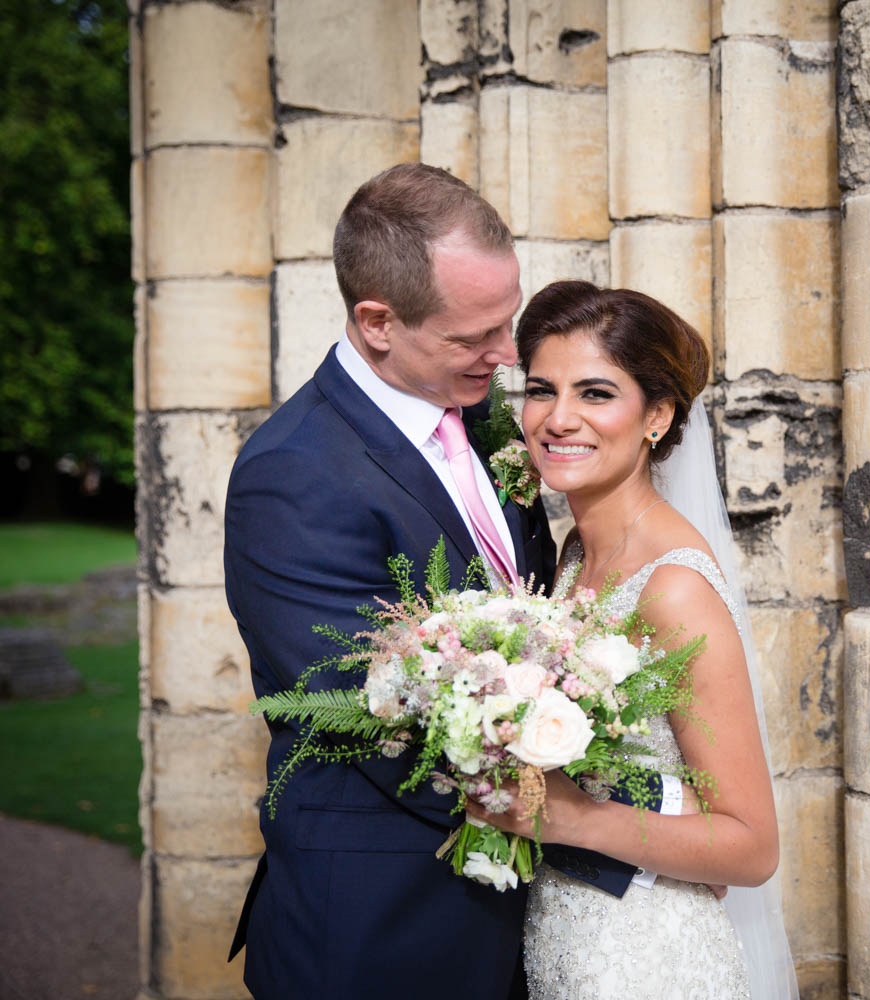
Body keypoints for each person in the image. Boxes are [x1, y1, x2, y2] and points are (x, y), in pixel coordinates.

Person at [222, 164, 660, 998]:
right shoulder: (295, 475)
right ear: (377, 321)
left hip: (518, 910)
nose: (507, 360)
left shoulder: (493, 421)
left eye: (509, 323)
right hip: (383, 933)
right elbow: (383, 724)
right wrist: (648, 822)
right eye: (474, 338)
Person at [465, 280, 799, 999]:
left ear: (657, 416)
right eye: (541, 390)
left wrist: (572, 818)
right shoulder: (571, 554)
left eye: (594, 393)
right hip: (563, 939)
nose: (558, 419)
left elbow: (749, 843)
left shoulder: (673, 587)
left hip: (650, 958)